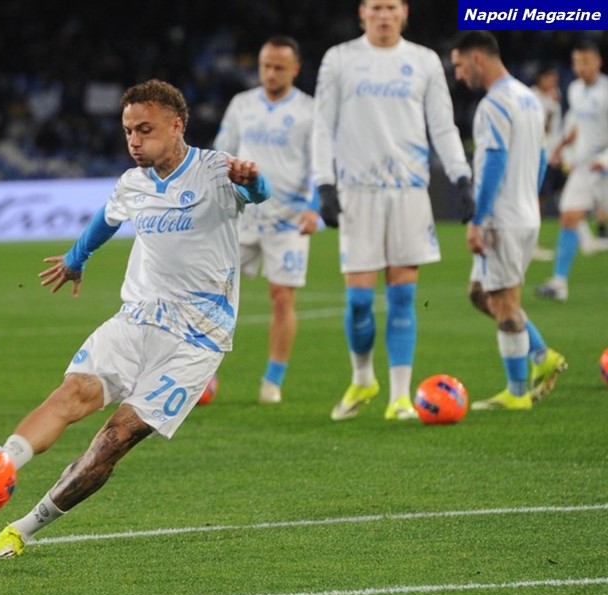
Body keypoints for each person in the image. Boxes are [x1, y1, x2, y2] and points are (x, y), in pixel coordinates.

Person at [0, 79, 271, 560]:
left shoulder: (216, 171)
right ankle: (1, 465)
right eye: (128, 131)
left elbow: (259, 193)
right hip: (137, 319)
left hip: (198, 339)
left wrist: (253, 180)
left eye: (145, 129)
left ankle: (22, 529)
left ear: (176, 125)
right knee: (71, 393)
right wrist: (76, 258)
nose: (134, 141)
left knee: (114, 439)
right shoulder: (133, 183)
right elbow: (107, 218)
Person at [310, 0, 475, 422]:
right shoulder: (339, 59)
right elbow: (322, 125)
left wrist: (461, 175)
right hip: (357, 190)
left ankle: (400, 398)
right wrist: (324, 182)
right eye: (376, 7)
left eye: (391, 7)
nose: (383, 15)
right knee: (359, 302)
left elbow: (442, 125)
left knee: (403, 297)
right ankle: (363, 377)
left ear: (404, 12)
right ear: (362, 13)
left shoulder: (424, 61)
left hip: (408, 191)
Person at [449, 31, 568, 411]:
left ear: (477, 59)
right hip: (523, 214)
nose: (458, 74)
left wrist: (478, 218)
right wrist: (527, 199)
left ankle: (517, 393)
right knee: (480, 293)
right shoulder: (528, 98)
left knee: (503, 304)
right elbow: (541, 157)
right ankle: (541, 355)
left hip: (501, 219)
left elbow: (495, 160)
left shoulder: (494, 104)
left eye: (459, 65)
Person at [213, 36, 319, 404]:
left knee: (282, 298)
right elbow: (221, 154)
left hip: (288, 218)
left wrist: (314, 207)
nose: (271, 73)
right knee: (215, 291)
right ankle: (203, 371)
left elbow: (321, 164)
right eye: (265, 66)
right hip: (240, 214)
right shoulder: (242, 105)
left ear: (295, 69)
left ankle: (272, 380)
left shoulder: (310, 111)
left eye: (279, 67)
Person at [536, 39, 608, 301]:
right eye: (577, 62)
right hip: (584, 167)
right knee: (568, 216)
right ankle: (559, 283)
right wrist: (561, 146)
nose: (580, 67)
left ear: (598, 62)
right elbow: (576, 124)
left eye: (585, 61)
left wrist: (605, 160)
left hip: (605, 166)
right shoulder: (575, 90)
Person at [529, 64, 562, 262]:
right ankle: (531, 244)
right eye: (550, 78)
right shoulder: (532, 97)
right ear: (540, 78)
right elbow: (542, 128)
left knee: (550, 197)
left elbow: (555, 130)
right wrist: (551, 106)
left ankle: (582, 235)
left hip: (552, 155)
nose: (553, 82)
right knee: (535, 201)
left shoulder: (553, 97)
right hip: (536, 156)